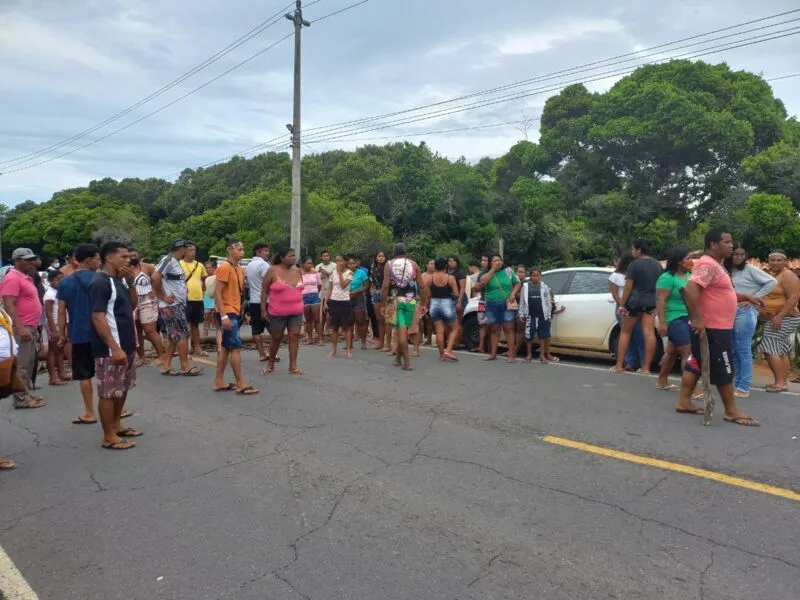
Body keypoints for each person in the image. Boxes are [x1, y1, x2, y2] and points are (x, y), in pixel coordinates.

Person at [676, 228, 759, 426]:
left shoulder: (716, 265)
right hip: (712, 328)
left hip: (715, 326)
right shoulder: (707, 264)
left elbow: (719, 293)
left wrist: (745, 297)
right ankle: (731, 411)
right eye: (727, 242)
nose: (731, 246)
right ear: (714, 244)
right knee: (724, 367)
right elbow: (690, 289)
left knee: (695, 363)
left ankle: (684, 401)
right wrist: (697, 318)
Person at [90, 242, 141, 450]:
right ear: (109, 258)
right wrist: (114, 347)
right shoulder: (100, 282)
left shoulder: (119, 281)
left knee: (123, 388)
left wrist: (131, 284)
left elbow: (132, 306)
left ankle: (117, 424)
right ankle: (108, 436)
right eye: (124, 256)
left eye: (129, 256)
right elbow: (98, 317)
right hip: (111, 349)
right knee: (109, 392)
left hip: (127, 345)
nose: (129, 260)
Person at [57, 244, 108, 424]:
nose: (99, 261)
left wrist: (62, 334)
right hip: (103, 332)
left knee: (84, 374)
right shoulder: (102, 278)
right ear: (88, 260)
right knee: (106, 371)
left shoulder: (65, 282)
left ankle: (89, 412)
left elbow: (61, 311)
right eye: (97, 258)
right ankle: (116, 407)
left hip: (79, 333)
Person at [726, 243, 776, 397]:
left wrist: (755, 298)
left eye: (742, 254)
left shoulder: (750, 269)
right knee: (733, 350)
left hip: (745, 312)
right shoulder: (727, 270)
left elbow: (772, 281)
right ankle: (736, 383)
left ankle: (744, 386)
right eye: (736, 254)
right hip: (730, 312)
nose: (739, 257)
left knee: (743, 350)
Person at [0, 248, 45, 409]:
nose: (32, 262)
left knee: (30, 362)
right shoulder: (12, 278)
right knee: (22, 364)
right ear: (16, 261)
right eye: (27, 259)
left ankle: (25, 393)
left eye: (32, 259)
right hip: (22, 326)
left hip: (30, 325)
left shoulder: (25, 277)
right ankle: (20, 398)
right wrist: (20, 328)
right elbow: (9, 305)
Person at [213, 240, 258, 395]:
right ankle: (240, 384)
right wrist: (223, 314)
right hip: (227, 312)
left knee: (226, 348)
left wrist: (242, 311)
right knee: (235, 348)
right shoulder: (225, 267)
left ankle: (218, 381)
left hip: (235, 311)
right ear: (229, 250)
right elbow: (217, 292)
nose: (242, 252)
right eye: (239, 249)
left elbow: (239, 292)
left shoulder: (238, 268)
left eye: (243, 249)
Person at [152, 239, 201, 376]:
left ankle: (166, 366)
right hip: (172, 305)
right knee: (183, 334)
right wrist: (162, 296)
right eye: (188, 248)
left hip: (175, 304)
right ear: (182, 249)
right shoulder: (168, 260)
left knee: (174, 337)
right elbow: (155, 277)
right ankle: (185, 365)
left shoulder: (173, 261)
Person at [612, 240, 661, 375]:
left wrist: (622, 304)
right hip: (650, 302)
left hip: (634, 302)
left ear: (639, 250)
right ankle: (646, 368)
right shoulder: (657, 264)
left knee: (625, 332)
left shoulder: (634, 265)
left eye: (634, 249)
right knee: (649, 333)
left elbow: (628, 286)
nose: (633, 252)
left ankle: (619, 365)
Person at [758, 249, 800, 393]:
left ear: (786, 261)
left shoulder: (788, 275)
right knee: (781, 349)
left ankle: (780, 382)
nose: (775, 263)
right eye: (772, 260)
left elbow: (794, 297)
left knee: (769, 348)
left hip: (785, 317)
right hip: (778, 317)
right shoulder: (773, 275)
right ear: (768, 261)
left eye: (779, 260)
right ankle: (782, 381)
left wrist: (780, 316)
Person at [381, 243, 427, 371]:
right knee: (404, 331)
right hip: (411, 302)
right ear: (405, 252)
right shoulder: (414, 264)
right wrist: (423, 303)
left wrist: (382, 304)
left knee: (400, 332)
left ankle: (407, 362)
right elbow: (422, 286)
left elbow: (385, 286)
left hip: (393, 301)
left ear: (394, 252)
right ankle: (397, 359)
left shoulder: (389, 264)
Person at [654, 247, 693, 391]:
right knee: (687, 352)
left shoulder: (688, 275)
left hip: (687, 317)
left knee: (671, 352)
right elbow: (660, 301)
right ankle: (690, 388)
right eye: (687, 258)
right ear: (678, 261)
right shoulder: (667, 278)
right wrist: (663, 323)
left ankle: (662, 380)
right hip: (674, 319)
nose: (690, 261)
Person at [262, 248, 304, 375]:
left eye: (294, 255)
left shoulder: (297, 271)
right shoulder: (272, 270)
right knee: (276, 337)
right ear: (282, 257)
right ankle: (270, 364)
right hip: (277, 312)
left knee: (295, 336)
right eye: (290, 256)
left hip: (296, 310)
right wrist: (263, 309)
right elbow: (264, 291)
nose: (293, 258)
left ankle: (293, 366)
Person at [479, 253, 521, 362]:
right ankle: (493, 354)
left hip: (506, 302)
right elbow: (483, 283)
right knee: (494, 328)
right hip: (491, 304)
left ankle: (511, 355)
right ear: (490, 263)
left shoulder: (508, 271)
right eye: (494, 261)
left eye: (499, 260)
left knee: (509, 328)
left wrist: (513, 294)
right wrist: (492, 270)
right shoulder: (486, 273)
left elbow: (517, 284)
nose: (498, 262)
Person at [608, 252, 645, 371]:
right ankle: (630, 362)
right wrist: (622, 305)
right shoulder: (615, 276)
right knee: (627, 335)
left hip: (635, 307)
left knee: (639, 335)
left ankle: (642, 362)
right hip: (623, 308)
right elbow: (615, 294)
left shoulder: (634, 275)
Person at [130, 249, 165, 368]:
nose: (133, 256)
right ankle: (141, 356)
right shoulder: (124, 269)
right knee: (136, 330)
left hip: (147, 300)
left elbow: (159, 278)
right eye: (130, 255)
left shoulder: (147, 267)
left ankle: (161, 356)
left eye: (135, 254)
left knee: (150, 330)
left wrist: (155, 290)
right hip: (131, 302)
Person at [518, 267, 557, 363]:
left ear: (540, 276)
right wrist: (521, 314)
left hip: (542, 315)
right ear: (530, 276)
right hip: (530, 315)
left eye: (537, 275)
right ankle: (529, 354)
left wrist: (548, 315)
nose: (535, 277)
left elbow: (548, 302)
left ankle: (542, 355)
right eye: (533, 275)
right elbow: (522, 301)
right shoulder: (525, 287)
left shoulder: (545, 287)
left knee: (543, 336)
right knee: (529, 336)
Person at [428, 258, 459, 361]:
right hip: (446, 303)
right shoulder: (450, 278)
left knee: (439, 331)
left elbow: (428, 294)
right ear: (446, 266)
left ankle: (442, 355)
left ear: (435, 266)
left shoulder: (430, 278)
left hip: (434, 304)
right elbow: (456, 294)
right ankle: (448, 351)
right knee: (455, 328)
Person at [180, 243, 208, 357]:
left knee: (195, 325)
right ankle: (185, 350)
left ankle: (197, 348)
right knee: (184, 325)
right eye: (190, 250)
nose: (193, 252)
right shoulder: (179, 264)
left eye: (194, 250)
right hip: (185, 299)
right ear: (184, 251)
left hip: (198, 298)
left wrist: (203, 291)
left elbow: (204, 278)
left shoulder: (200, 265)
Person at [245, 243, 272, 362]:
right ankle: (272, 353)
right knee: (274, 328)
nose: (267, 253)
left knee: (256, 329)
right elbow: (269, 283)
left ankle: (261, 354)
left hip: (253, 301)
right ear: (258, 252)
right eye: (265, 251)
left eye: (268, 251)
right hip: (265, 301)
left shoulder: (249, 265)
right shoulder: (264, 265)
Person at [44, 269, 69, 385]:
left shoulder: (60, 292)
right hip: (53, 324)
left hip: (60, 324)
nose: (61, 282)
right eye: (57, 280)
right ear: (50, 281)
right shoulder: (49, 294)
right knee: (53, 351)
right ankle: (53, 377)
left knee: (60, 351)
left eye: (62, 279)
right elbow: (48, 313)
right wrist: (54, 330)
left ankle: (61, 373)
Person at [325, 255, 353, 358]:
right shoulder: (333, 273)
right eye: (336, 261)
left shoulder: (349, 273)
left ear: (345, 261)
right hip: (334, 301)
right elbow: (330, 287)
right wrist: (326, 300)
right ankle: (333, 348)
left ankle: (349, 349)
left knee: (347, 327)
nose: (338, 263)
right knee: (334, 327)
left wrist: (340, 273)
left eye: (340, 260)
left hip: (345, 301)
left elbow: (343, 285)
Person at [349, 254, 369, 351]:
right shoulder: (345, 273)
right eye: (349, 263)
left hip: (359, 298)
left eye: (353, 263)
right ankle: (349, 342)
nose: (351, 265)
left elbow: (366, 286)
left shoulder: (361, 273)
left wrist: (357, 291)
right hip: (347, 298)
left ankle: (363, 341)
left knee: (360, 321)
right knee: (349, 321)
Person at [370, 251, 390, 350]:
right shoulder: (373, 267)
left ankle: (388, 344)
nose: (381, 258)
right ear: (376, 257)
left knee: (388, 320)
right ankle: (381, 342)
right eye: (379, 256)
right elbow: (372, 282)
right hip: (376, 293)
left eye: (383, 256)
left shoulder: (388, 266)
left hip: (387, 294)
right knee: (379, 319)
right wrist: (372, 291)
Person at [301, 257, 323, 345]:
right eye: (308, 263)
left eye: (311, 263)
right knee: (308, 320)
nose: (310, 265)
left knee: (317, 318)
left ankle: (320, 338)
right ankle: (310, 338)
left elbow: (319, 285)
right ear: (303, 264)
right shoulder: (299, 274)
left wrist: (315, 292)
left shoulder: (316, 273)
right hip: (304, 297)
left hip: (314, 296)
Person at [447, 256, 467, 349]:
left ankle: (457, 342)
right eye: (450, 261)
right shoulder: (446, 272)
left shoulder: (460, 272)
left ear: (457, 262)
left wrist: (459, 302)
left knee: (457, 321)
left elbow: (462, 288)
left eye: (453, 261)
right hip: (449, 298)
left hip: (459, 298)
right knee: (449, 322)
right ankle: (450, 341)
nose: (451, 263)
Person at [316, 250, 336, 335]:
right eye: (324, 256)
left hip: (333, 291)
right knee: (323, 311)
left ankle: (329, 328)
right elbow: (315, 279)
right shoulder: (318, 267)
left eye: (327, 255)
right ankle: (322, 330)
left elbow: (336, 277)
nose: (326, 257)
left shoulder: (335, 265)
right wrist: (321, 276)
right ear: (321, 257)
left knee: (332, 311)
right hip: (322, 292)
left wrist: (327, 273)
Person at [202, 261, 217, 338]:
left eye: (209, 267)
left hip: (215, 297)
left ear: (213, 268)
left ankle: (217, 330)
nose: (208, 269)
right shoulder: (204, 277)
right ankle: (205, 330)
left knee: (215, 314)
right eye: (206, 268)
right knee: (206, 315)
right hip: (206, 297)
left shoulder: (217, 276)